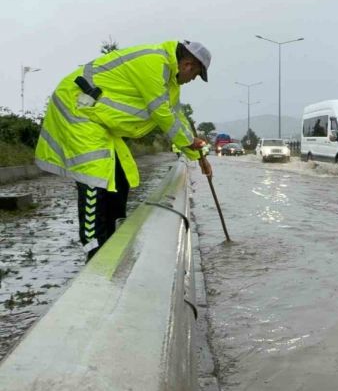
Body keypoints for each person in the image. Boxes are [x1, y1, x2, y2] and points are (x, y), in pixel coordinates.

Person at [35, 40, 213, 260]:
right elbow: (163, 115)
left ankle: (113, 243)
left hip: (100, 122)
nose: (191, 80)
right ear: (188, 65)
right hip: (78, 111)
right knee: (96, 179)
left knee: (120, 180)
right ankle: (95, 251)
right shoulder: (153, 62)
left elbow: (178, 118)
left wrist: (199, 155)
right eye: (195, 76)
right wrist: (190, 144)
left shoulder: (170, 83)